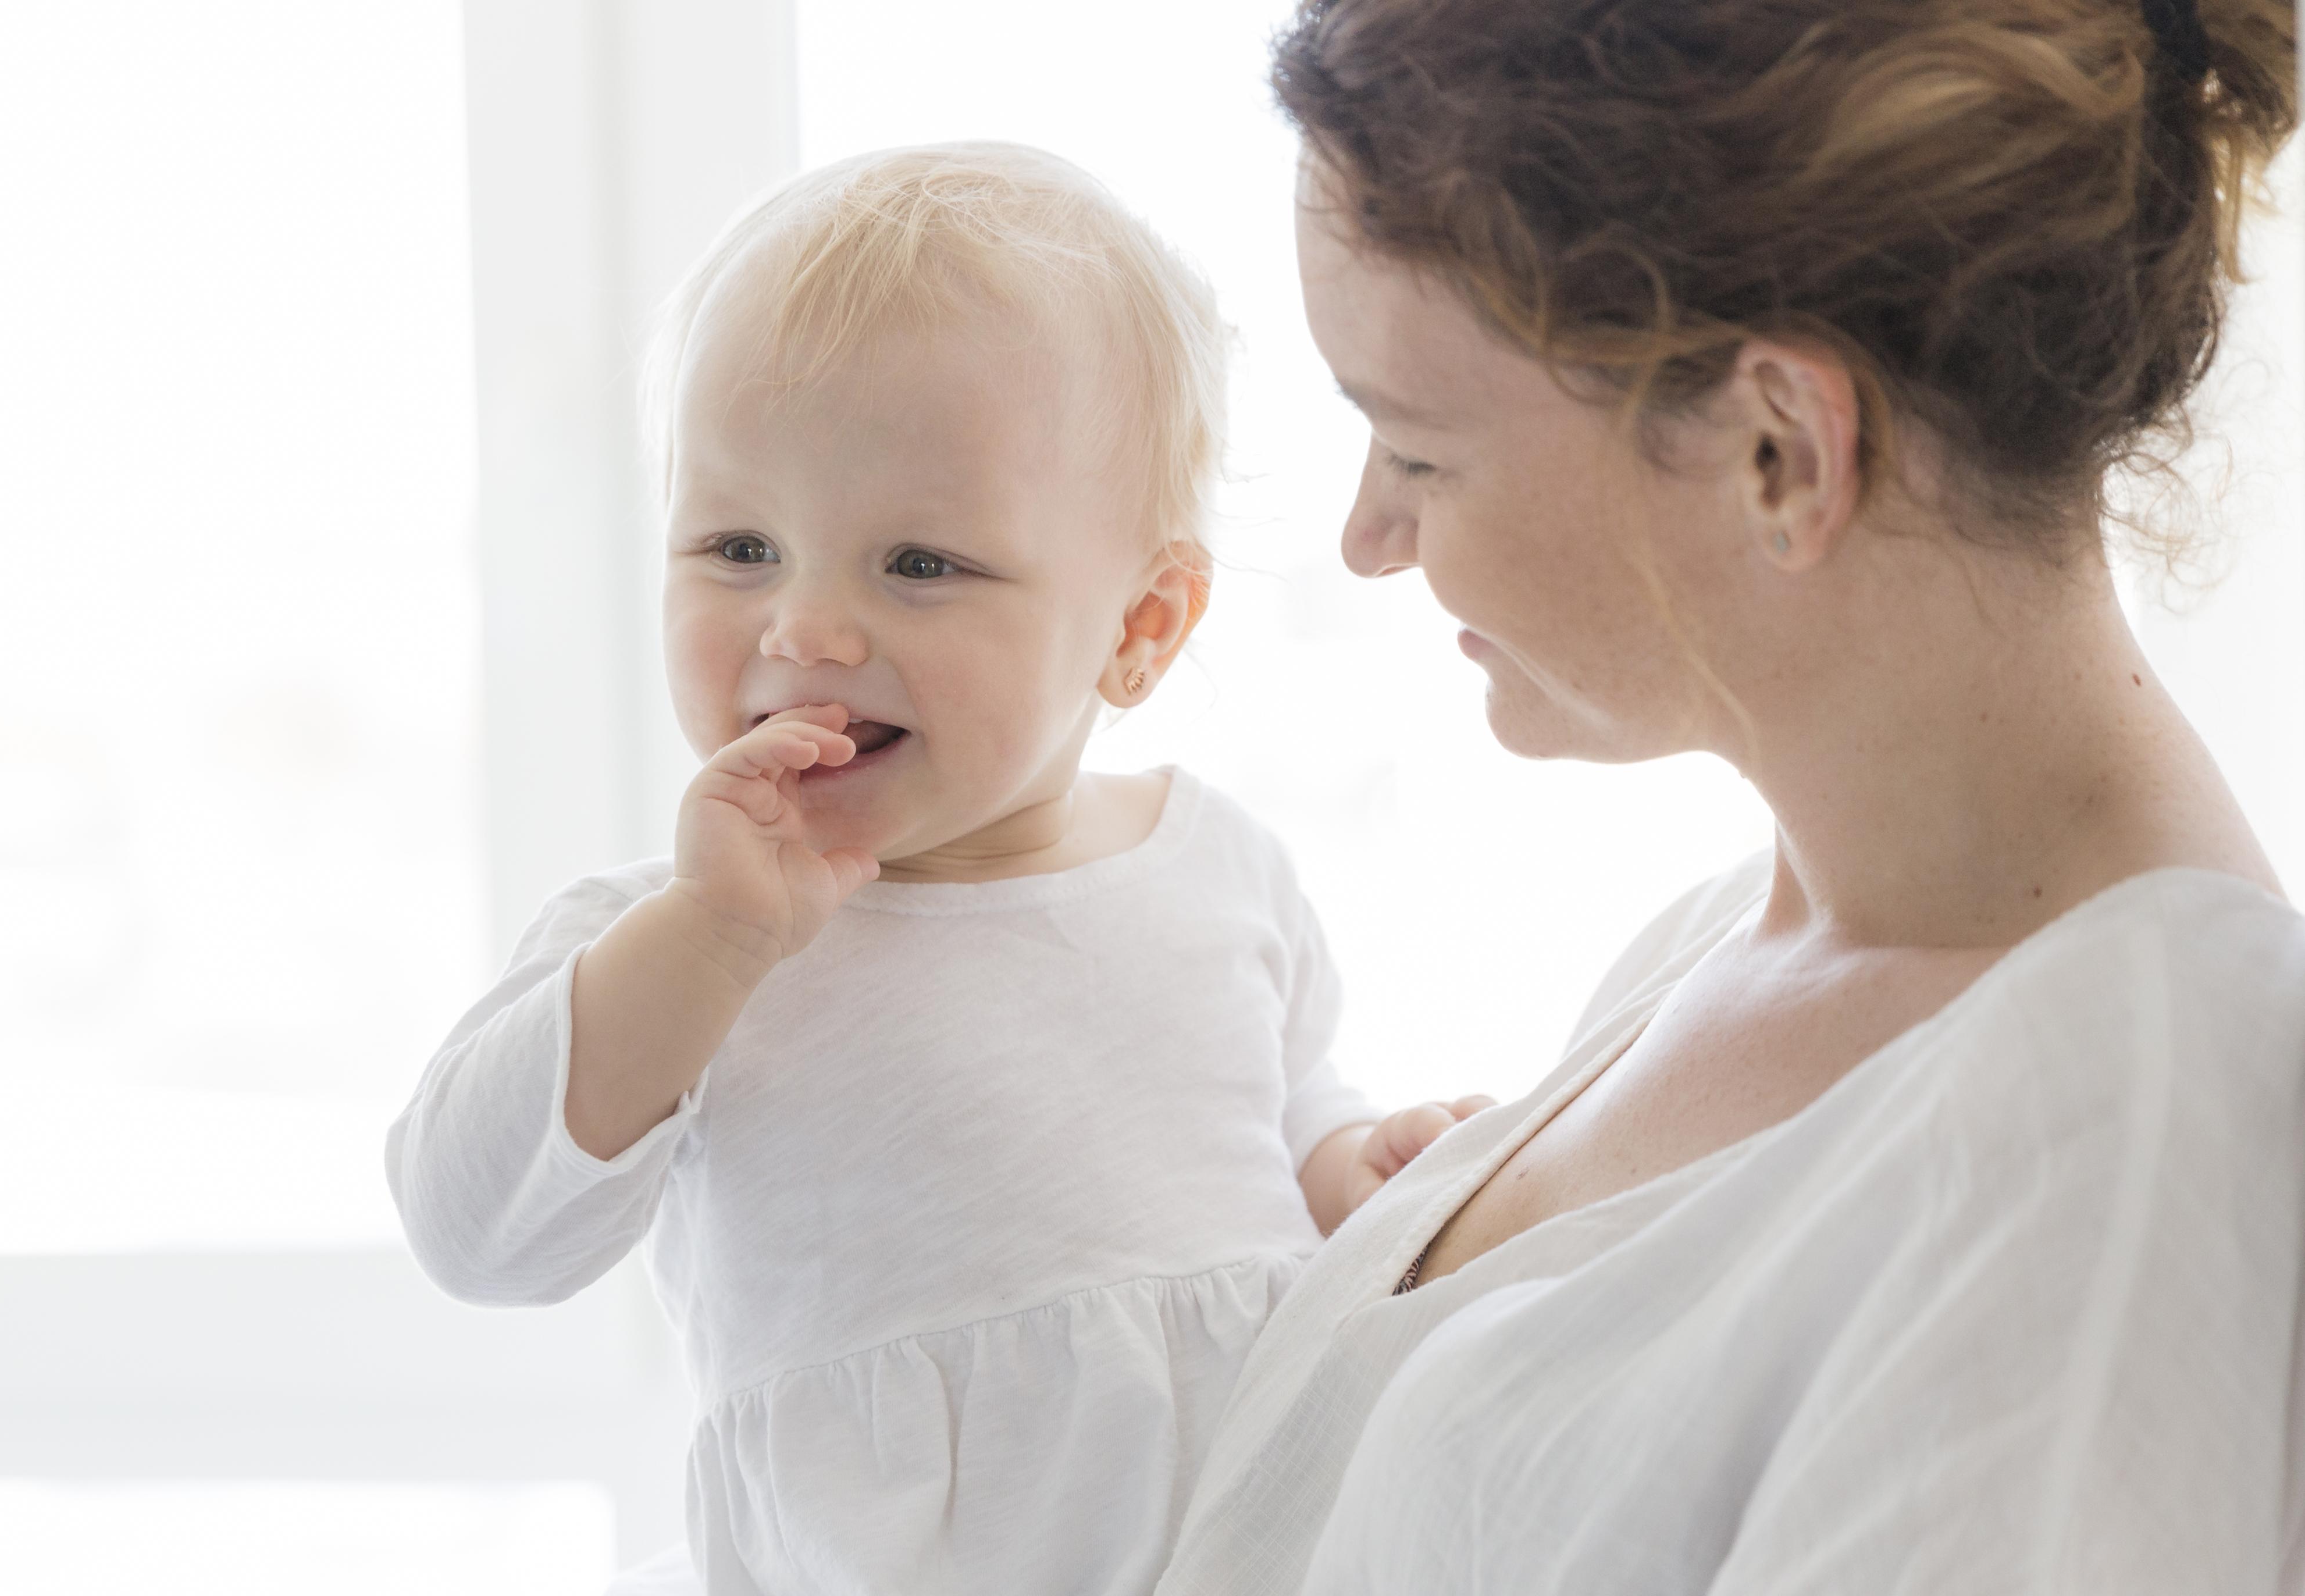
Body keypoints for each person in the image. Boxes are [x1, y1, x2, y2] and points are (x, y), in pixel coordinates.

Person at [1158, 0, 2305, 1591]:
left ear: (1779, 448)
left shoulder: (2130, 1129)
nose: (1369, 537)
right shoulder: (1742, 934)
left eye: (1416, 453)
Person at [384, 142, 1481, 1596]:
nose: (809, 628)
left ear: (1140, 628)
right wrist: (707, 938)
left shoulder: (1216, 864)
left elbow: (1286, 1120)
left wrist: (1360, 1170)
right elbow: (475, 1234)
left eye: (919, 564)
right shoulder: (674, 935)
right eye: (739, 545)